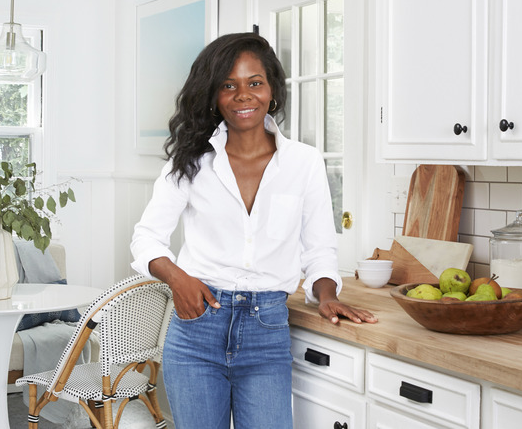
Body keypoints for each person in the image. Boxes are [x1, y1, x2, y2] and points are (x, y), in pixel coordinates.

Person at [130, 32, 376, 429]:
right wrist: (177, 278)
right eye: (229, 85)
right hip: (197, 329)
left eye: (254, 83)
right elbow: (146, 237)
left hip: (267, 331)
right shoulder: (192, 161)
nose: (243, 95)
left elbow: (318, 250)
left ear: (272, 90)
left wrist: (326, 294)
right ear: (213, 96)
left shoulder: (304, 162)